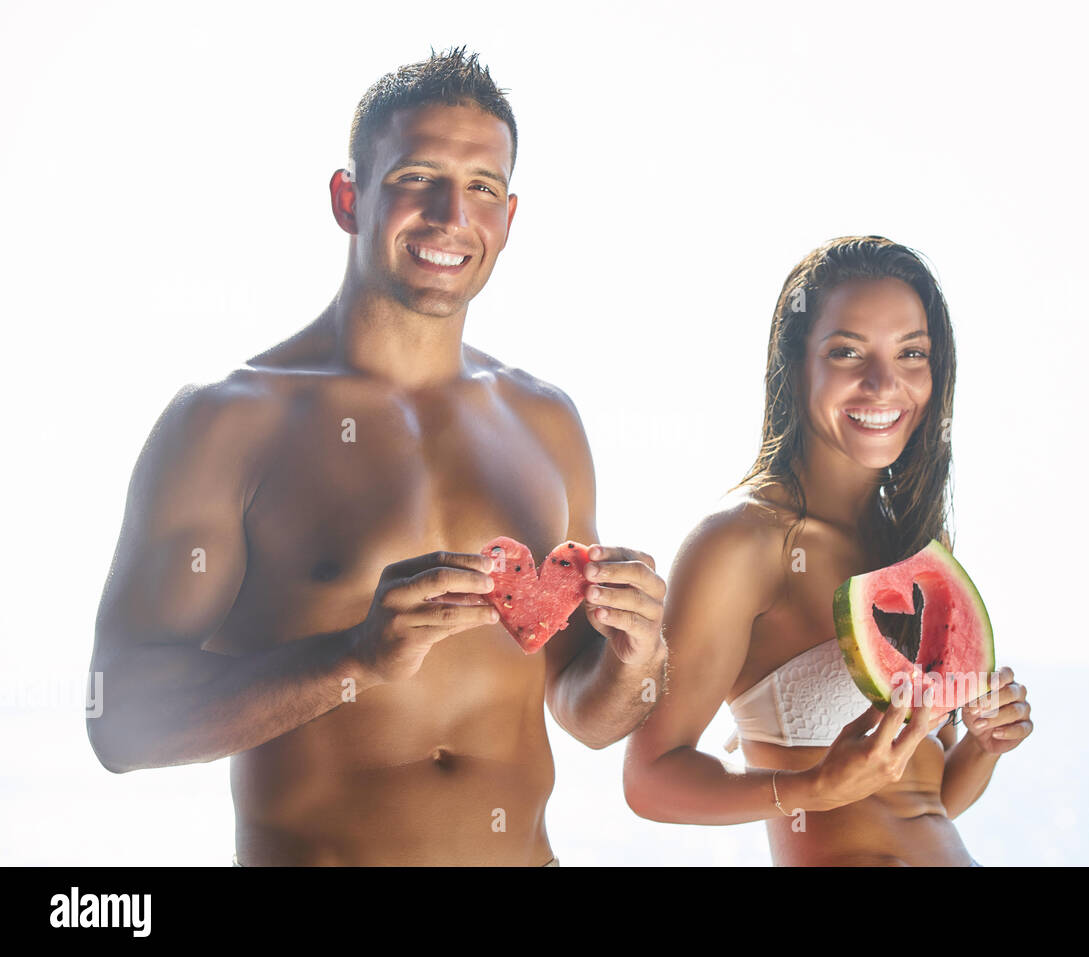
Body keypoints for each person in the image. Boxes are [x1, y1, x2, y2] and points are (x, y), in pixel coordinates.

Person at [87, 47, 667, 866]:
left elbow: (586, 709)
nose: (449, 214)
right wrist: (351, 658)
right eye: (417, 177)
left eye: (482, 188)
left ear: (508, 217)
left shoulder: (547, 422)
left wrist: (639, 656)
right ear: (348, 197)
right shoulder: (227, 422)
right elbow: (119, 722)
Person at [623, 236, 1032, 866]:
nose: (883, 383)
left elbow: (931, 799)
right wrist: (812, 788)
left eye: (911, 352)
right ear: (797, 363)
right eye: (847, 351)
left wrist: (982, 744)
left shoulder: (919, 543)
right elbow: (649, 781)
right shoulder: (742, 544)